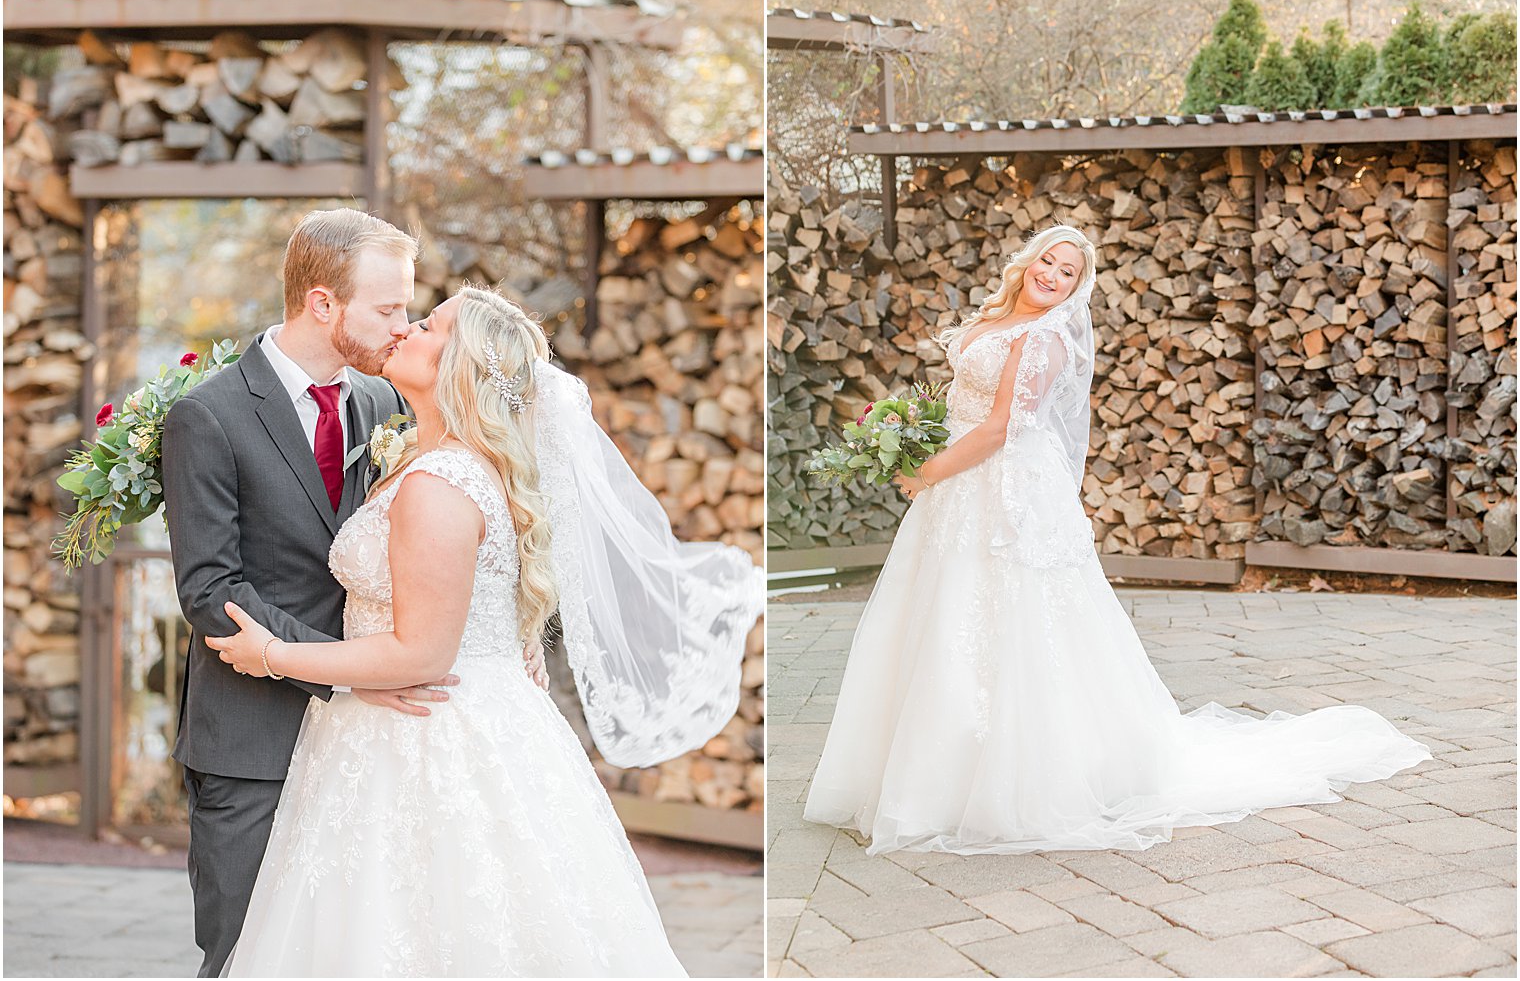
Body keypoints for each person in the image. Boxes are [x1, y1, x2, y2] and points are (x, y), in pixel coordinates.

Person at [802, 223, 1430, 856]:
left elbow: (1001, 429)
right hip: (959, 487)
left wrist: (929, 470)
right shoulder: (994, 318)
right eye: (1047, 260)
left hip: (1004, 490)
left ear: (1079, 285)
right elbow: (965, 404)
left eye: (1068, 271)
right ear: (1027, 262)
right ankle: (927, 769)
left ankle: (1015, 780)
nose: (1052, 274)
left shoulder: (1045, 339)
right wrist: (918, 436)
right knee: (941, 616)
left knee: (1012, 615)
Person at [207, 286, 763, 976]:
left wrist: (273, 653)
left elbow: (424, 651)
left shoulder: (439, 482)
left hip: (427, 737)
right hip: (428, 720)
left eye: (431, 325)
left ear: (461, 365)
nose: (408, 328)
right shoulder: (438, 461)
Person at [161, 209, 550, 978]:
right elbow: (211, 588)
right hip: (255, 738)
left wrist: (505, 632)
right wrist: (347, 670)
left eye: (411, 310)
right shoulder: (209, 415)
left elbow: (446, 546)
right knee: (245, 952)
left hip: (384, 742)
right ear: (322, 304)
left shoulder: (384, 407)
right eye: (388, 308)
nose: (402, 326)